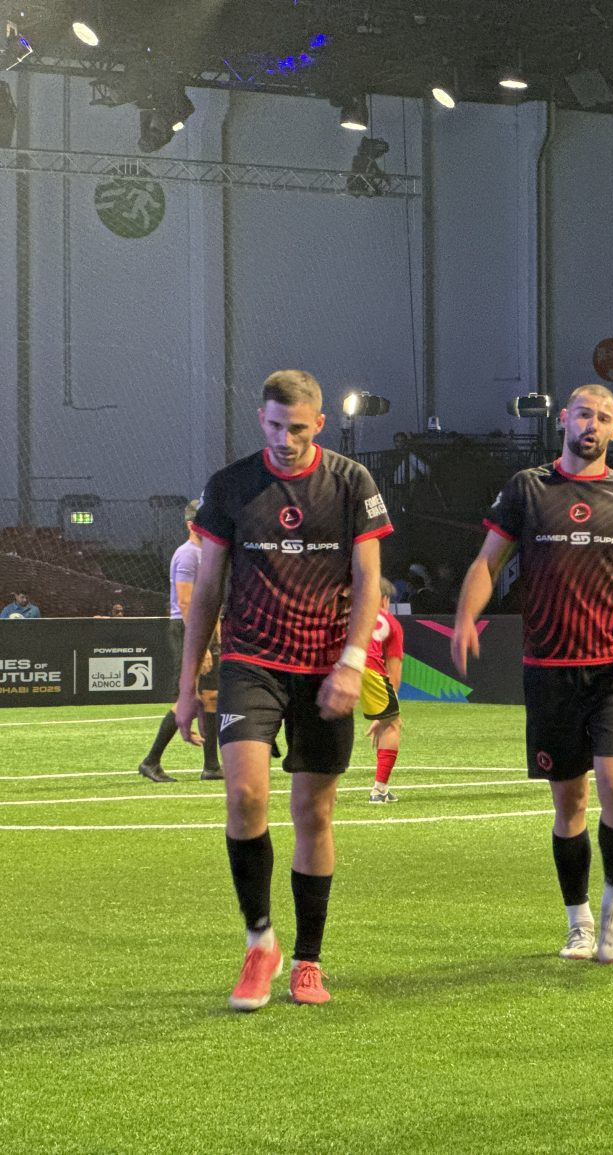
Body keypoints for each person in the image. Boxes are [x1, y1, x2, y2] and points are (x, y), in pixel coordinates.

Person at [174, 369, 392, 1011]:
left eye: (298, 429)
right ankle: (259, 940)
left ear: (318, 424)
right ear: (261, 420)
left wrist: (352, 662)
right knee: (244, 796)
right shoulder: (230, 486)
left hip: (326, 668)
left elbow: (369, 579)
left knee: (313, 814)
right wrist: (186, 685)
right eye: (275, 426)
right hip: (252, 661)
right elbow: (208, 589)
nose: (285, 440)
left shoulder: (352, 482)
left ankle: (307, 960)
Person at [451, 383, 613, 965]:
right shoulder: (527, 488)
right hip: (550, 668)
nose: (591, 425)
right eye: (583, 414)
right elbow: (487, 562)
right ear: (564, 421)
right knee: (569, 802)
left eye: (603, 417)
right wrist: (466, 617)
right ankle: (578, 922)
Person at [138, 500, 222, 784]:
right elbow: (186, 603)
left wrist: (218, 635)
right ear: (191, 525)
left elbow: (211, 600)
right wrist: (202, 643)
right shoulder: (187, 555)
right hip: (188, 629)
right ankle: (151, 761)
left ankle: (211, 766)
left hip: (204, 629)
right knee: (190, 696)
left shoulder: (207, 554)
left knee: (211, 697)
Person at [363, 576, 405, 803]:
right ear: (384, 599)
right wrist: (385, 716)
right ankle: (379, 790)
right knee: (392, 723)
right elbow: (394, 673)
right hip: (368, 668)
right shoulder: (390, 622)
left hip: (333, 666)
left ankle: (323, 790)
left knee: (332, 724)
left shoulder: (343, 613)